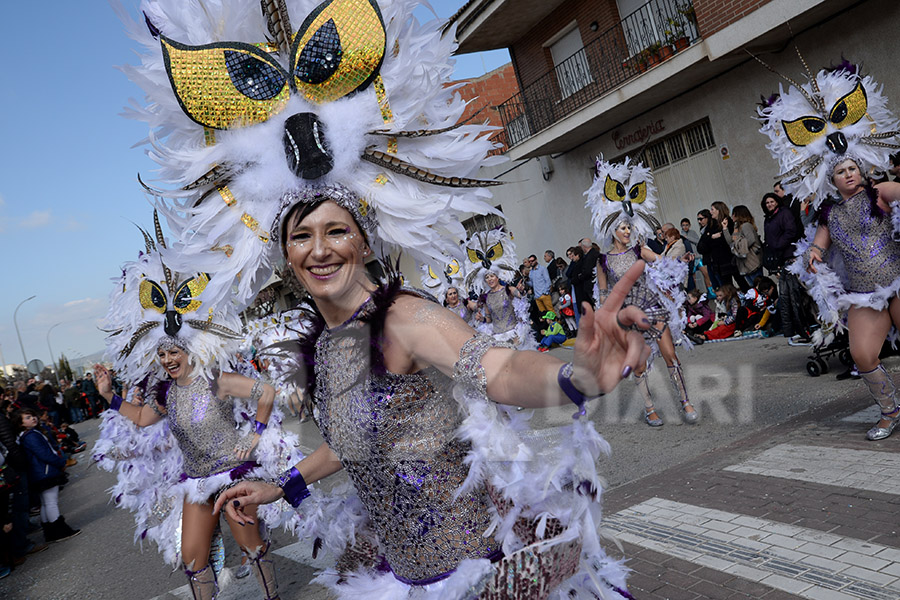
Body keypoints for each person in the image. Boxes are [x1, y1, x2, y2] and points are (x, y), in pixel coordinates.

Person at [214, 189, 650, 599]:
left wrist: (575, 378)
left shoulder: (404, 317)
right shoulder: (328, 344)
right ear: (287, 257)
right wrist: (280, 485)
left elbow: (497, 368)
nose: (320, 249)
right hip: (404, 578)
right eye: (301, 237)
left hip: (478, 573)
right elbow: (351, 440)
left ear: (365, 245)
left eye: (337, 230)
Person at [585, 156, 697, 427]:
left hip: (651, 304)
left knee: (670, 354)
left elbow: (662, 263)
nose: (627, 231)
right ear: (613, 230)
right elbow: (603, 295)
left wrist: (679, 263)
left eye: (629, 227)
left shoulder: (639, 250)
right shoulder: (602, 260)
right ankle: (650, 408)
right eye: (623, 228)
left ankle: (685, 400)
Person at [13, 408, 80, 543]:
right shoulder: (31, 435)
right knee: (51, 502)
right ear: (21, 424)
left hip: (39, 473)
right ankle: (60, 531)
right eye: (27, 418)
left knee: (45, 503)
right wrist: (61, 462)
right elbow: (44, 454)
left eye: (32, 416)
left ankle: (49, 531)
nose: (33, 418)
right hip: (45, 471)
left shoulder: (27, 435)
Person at [730, 204, 763, 289]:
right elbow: (731, 242)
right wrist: (725, 229)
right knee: (753, 287)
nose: (732, 216)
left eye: (733, 213)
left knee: (758, 286)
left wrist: (739, 248)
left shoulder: (746, 225)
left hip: (751, 261)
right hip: (744, 263)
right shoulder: (737, 227)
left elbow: (751, 240)